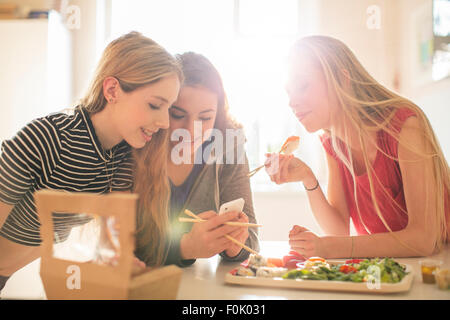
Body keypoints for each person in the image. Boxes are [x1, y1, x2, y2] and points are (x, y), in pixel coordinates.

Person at [0, 31, 182, 292]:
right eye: (155, 105)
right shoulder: (48, 139)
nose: (165, 122)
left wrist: (117, 264)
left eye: (169, 108)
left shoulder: (122, 156)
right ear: (112, 90)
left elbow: (110, 246)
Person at [265, 35, 449, 259]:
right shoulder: (332, 143)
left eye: (302, 86)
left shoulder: (405, 126)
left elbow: (423, 240)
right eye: (289, 92)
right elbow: (339, 231)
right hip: (397, 273)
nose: (292, 102)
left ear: (342, 80)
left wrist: (327, 248)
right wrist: (308, 178)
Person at [145, 52, 259, 267]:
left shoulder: (228, 145)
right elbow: (123, 242)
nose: (190, 130)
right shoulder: (141, 141)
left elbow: (251, 239)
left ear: (218, 115)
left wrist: (235, 247)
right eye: (178, 115)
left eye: (205, 118)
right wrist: (183, 248)